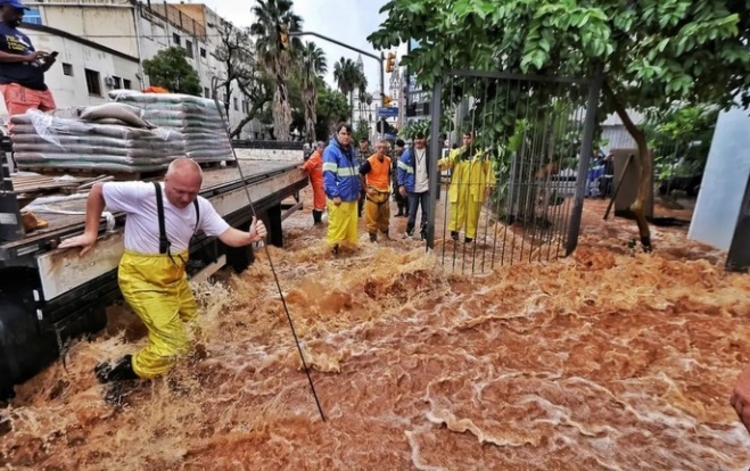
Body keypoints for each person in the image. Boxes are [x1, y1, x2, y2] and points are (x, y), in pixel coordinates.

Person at [57, 158, 267, 383]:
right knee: (173, 344)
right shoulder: (144, 194)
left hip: (175, 280)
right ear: (166, 180)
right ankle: (113, 372)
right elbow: (98, 191)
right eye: (179, 191)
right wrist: (91, 233)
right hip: (141, 280)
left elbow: (227, 234)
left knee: (196, 332)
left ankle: (181, 376)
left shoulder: (200, 206)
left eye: (192, 193)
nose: (186, 198)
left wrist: (249, 236)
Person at [0, 0, 57, 119]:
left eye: (21, 12)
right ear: (2, 8)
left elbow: (30, 64)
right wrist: (26, 57)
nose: (20, 15)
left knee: (54, 125)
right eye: (16, 11)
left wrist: (47, 64)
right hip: (18, 86)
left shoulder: (23, 37)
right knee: (24, 125)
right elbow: (26, 58)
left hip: (41, 88)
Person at [438, 131, 495, 243]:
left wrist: (490, 185)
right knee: (457, 211)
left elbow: (489, 170)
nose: (466, 140)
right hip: (459, 188)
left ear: (474, 139)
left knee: (472, 214)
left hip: (475, 189)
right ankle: (454, 233)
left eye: (469, 138)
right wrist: (440, 164)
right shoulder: (457, 153)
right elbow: (448, 161)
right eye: (464, 138)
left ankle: (469, 238)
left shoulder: (482, 155)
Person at [323, 123, 360, 253]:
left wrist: (358, 190)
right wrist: (334, 194)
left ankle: (348, 262)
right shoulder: (331, 151)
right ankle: (332, 260)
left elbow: (355, 173)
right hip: (339, 199)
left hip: (351, 198)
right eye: (343, 134)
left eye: (348, 134)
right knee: (336, 232)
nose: (346, 137)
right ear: (337, 134)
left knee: (351, 233)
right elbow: (328, 176)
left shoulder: (350, 150)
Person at [397, 132, 429, 240]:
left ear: (425, 139)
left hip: (427, 188)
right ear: (413, 140)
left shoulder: (430, 152)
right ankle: (409, 232)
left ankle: (424, 233)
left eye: (420, 138)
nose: (418, 141)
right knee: (412, 212)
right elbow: (400, 169)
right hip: (412, 188)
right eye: (416, 139)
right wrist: (401, 185)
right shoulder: (408, 153)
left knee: (427, 212)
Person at [360, 138, 392, 243]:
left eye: (384, 148)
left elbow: (389, 174)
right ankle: (373, 242)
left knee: (385, 219)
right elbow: (360, 174)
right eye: (379, 147)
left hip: (384, 194)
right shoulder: (370, 161)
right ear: (375, 149)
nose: (381, 150)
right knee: (372, 220)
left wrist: (389, 187)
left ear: (386, 149)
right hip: (373, 194)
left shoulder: (388, 160)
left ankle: (386, 239)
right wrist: (366, 189)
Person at [299, 141, 325, 225]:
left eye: (322, 148)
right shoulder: (316, 155)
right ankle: (317, 222)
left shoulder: (319, 156)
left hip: (320, 182)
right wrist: (304, 167)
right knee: (319, 202)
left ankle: (318, 221)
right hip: (318, 183)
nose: (321, 149)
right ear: (317, 147)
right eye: (320, 147)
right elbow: (309, 163)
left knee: (320, 201)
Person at [391, 139, 408, 217]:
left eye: (398, 147)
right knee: (397, 195)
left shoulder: (406, 155)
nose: (397, 149)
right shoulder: (395, 155)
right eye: (396, 147)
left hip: (404, 179)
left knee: (405, 195)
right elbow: (393, 167)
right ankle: (400, 210)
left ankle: (407, 211)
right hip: (396, 179)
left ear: (402, 147)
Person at [356, 137, 372, 218]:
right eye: (361, 142)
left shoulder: (371, 153)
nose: (362, 144)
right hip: (358, 178)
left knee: (370, 196)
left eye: (364, 142)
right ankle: (358, 212)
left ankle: (370, 213)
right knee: (359, 196)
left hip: (368, 178)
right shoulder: (355, 153)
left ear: (367, 143)